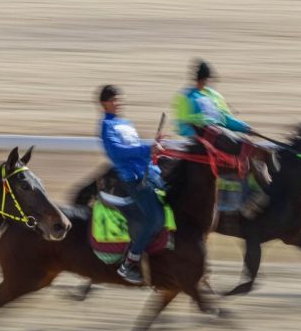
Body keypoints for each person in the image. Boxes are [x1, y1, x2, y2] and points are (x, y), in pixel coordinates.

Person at [172, 59, 271, 217]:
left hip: (221, 136)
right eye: (202, 80)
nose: (204, 83)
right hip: (201, 140)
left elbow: (226, 119)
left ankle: (255, 192)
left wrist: (245, 128)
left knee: (249, 149)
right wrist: (199, 136)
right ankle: (246, 197)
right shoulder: (185, 97)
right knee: (242, 151)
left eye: (205, 80)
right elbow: (182, 126)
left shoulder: (214, 95)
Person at [98, 85, 165, 285]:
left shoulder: (125, 123)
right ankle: (129, 263)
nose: (118, 103)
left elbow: (136, 150)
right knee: (155, 219)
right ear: (104, 104)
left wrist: (153, 153)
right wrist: (146, 149)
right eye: (113, 100)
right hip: (132, 180)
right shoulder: (106, 126)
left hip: (149, 174)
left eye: (119, 99)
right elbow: (117, 152)